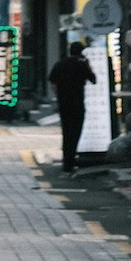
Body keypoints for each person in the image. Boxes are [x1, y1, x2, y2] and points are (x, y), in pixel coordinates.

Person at [49, 41, 92, 174]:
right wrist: (88, 65)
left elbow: (52, 82)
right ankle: (71, 162)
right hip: (77, 104)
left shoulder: (60, 64)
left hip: (64, 104)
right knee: (75, 133)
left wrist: (59, 94)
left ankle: (66, 163)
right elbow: (93, 79)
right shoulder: (82, 65)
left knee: (66, 133)